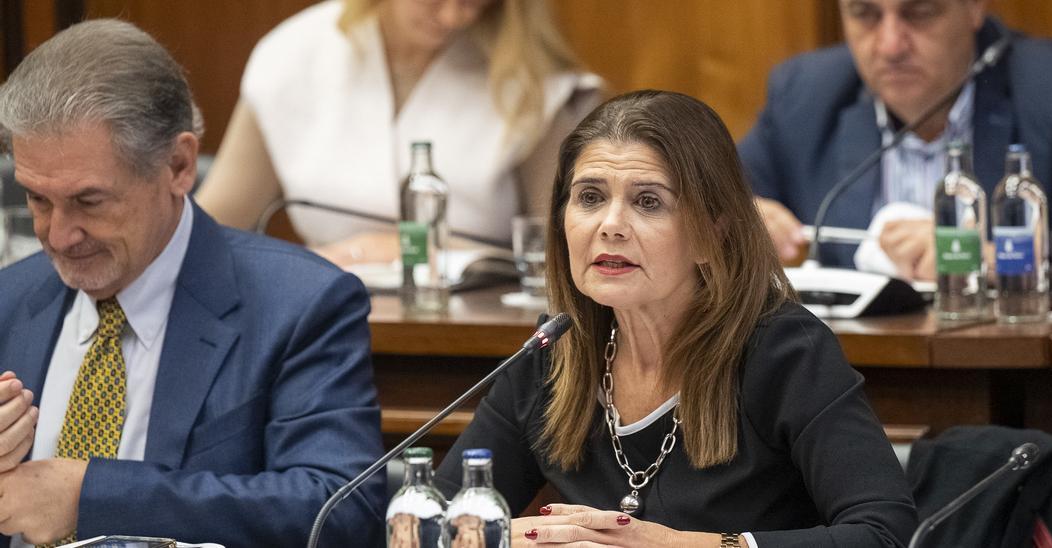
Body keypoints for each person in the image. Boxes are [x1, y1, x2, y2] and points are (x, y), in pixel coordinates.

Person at [435, 90, 917, 547]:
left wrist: (679, 544)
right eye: (589, 197)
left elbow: (882, 533)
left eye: (648, 202)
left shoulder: (784, 351)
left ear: (712, 233)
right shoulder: (553, 352)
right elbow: (435, 521)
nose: (611, 225)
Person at [0, 20, 384, 546]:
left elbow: (338, 509)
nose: (59, 236)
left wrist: (89, 499)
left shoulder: (300, 305)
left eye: (89, 201)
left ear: (179, 165)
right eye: (38, 200)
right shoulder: (9, 298)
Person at [740, 0, 1052, 289]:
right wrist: (737, 224)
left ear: (974, 6)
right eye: (864, 13)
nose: (889, 45)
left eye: (919, 12)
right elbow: (701, 208)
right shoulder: (805, 93)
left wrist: (997, 256)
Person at [195, 0, 601, 267]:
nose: (453, 17)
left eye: (475, 1)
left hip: (485, 338)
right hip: (316, 319)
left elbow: (563, 259)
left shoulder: (532, 78)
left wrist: (400, 250)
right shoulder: (292, 55)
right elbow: (210, 231)